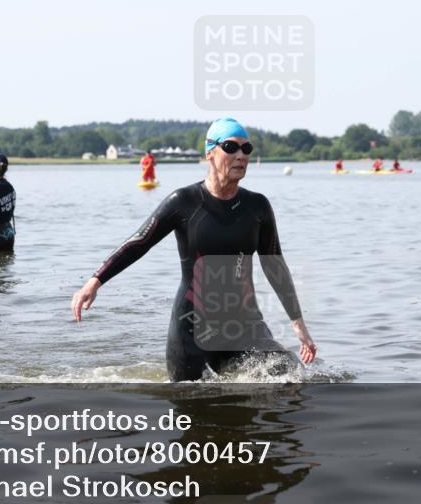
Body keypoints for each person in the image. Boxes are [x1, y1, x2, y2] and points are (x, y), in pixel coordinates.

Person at [71, 117, 317, 382]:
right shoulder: (184, 202)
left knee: (289, 374)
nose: (240, 156)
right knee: (191, 404)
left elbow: (275, 266)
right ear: (210, 153)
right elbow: (139, 243)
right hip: (191, 328)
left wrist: (297, 324)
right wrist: (95, 280)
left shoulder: (257, 207)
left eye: (247, 149)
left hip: (244, 324)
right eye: (231, 147)